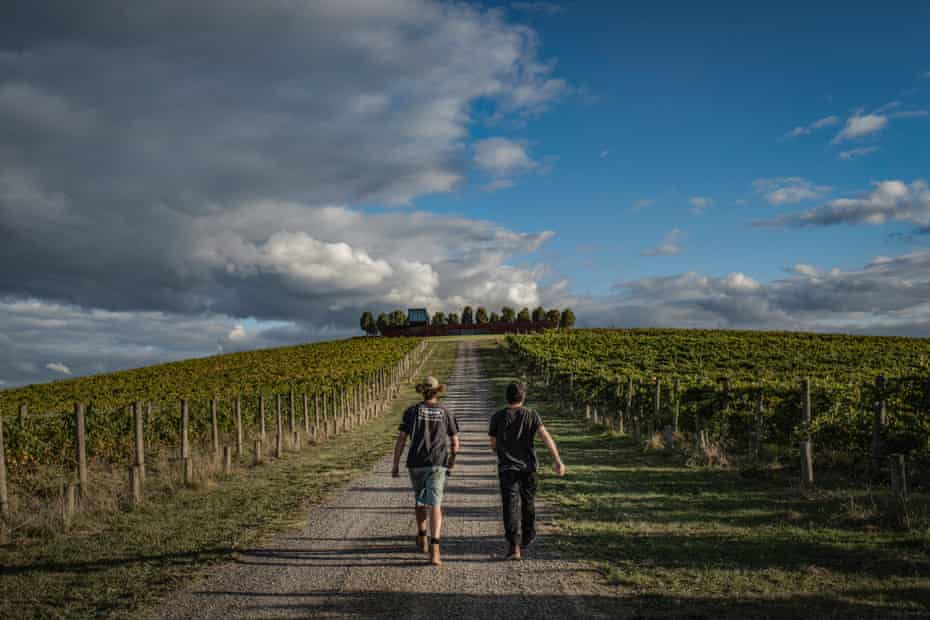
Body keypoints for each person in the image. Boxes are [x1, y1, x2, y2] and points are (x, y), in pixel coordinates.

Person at [488, 380, 565, 561]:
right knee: (528, 501)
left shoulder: (497, 417)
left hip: (507, 468)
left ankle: (514, 546)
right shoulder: (532, 415)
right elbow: (546, 437)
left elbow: (492, 444)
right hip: (529, 468)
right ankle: (528, 534)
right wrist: (557, 460)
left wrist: (502, 451)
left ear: (506, 396)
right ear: (523, 397)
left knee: (510, 506)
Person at [392, 375, 460, 566]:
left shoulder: (411, 411)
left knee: (420, 499)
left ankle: (422, 536)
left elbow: (402, 439)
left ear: (422, 391)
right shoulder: (446, 412)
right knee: (436, 504)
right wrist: (452, 462)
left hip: (416, 462)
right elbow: (455, 444)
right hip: (438, 462)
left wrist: (396, 464)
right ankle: (435, 548)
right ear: (438, 391)